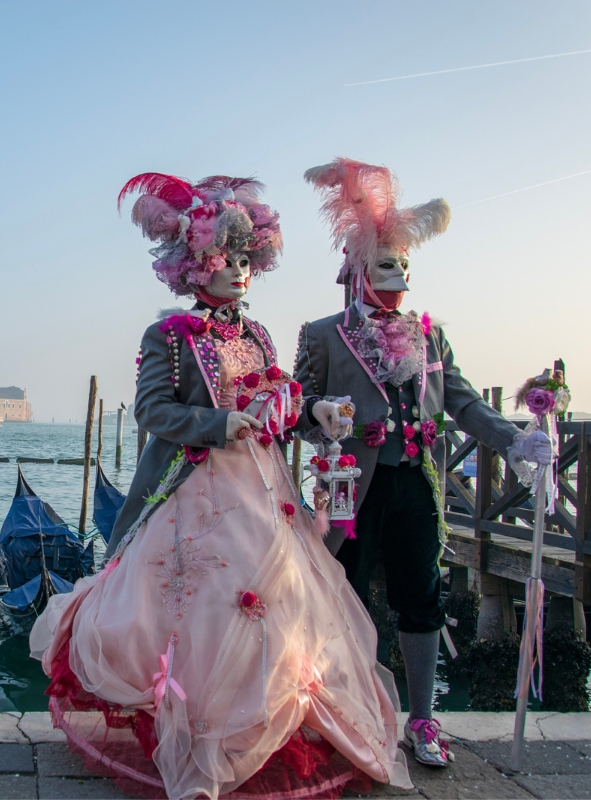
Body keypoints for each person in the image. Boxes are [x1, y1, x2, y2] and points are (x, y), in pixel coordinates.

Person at [30, 173, 410, 800]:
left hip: (264, 490)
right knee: (200, 611)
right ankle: (201, 730)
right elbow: (152, 411)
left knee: (274, 610)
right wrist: (218, 423)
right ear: (194, 265)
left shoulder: (258, 336)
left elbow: (278, 405)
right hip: (194, 488)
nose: (238, 272)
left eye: (245, 261)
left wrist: (310, 415)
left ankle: (251, 726)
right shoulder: (170, 338)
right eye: (225, 260)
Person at [294, 158, 553, 768]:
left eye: (406, 263)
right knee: (345, 596)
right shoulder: (323, 334)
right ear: (357, 269)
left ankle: (421, 719)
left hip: (415, 482)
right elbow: (295, 411)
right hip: (347, 487)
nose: (400, 273)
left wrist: (513, 440)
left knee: (423, 595)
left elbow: (460, 400)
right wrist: (321, 415)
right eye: (387, 262)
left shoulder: (428, 334)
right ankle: (348, 710)